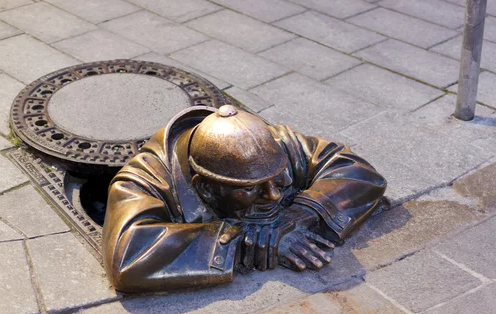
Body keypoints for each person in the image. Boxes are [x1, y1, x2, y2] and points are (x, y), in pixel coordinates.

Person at [102, 105, 386, 293]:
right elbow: (127, 255)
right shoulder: (143, 181)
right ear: (207, 189)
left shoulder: (275, 143)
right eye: (250, 188)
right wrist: (242, 242)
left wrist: (299, 215)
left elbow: (357, 171)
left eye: (278, 178)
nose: (273, 194)